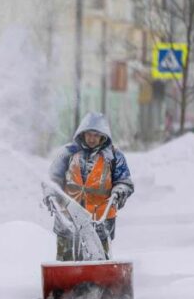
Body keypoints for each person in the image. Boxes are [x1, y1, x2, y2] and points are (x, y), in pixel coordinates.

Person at [49, 112, 134, 261]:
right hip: (68, 216)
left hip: (100, 217)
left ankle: (101, 279)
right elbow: (52, 179)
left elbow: (124, 181)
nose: (92, 139)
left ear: (103, 136)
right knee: (66, 258)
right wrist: (50, 194)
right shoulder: (67, 153)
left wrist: (119, 191)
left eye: (96, 135)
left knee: (99, 256)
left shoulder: (114, 156)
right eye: (89, 134)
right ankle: (65, 280)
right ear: (82, 133)